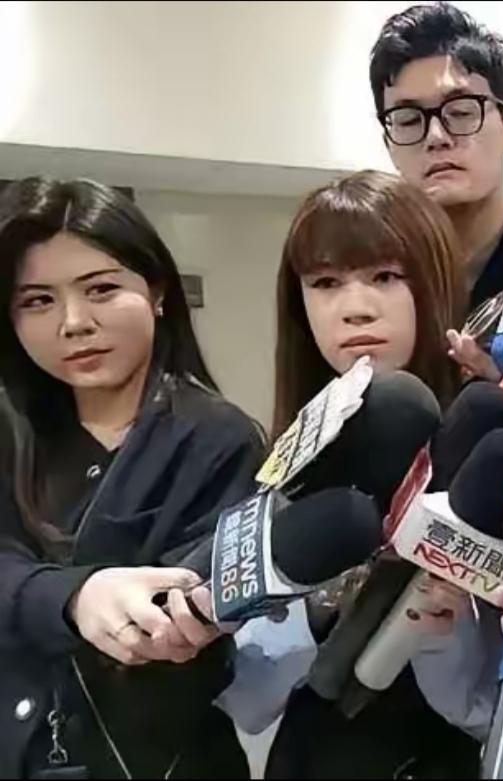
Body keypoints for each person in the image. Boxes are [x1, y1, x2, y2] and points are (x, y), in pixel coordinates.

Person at [0, 178, 265, 778]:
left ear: (158, 290)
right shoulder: (11, 428)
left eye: (101, 289)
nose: (74, 323)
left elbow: (194, 612)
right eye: (37, 300)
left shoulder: (218, 438)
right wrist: (76, 598)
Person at [262, 170, 502, 779]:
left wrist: (443, 638)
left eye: (386, 277)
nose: (356, 308)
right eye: (325, 283)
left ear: (433, 285)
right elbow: (252, 692)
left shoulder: (488, 454)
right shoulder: (287, 458)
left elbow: (501, 712)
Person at [370, 1, 503, 380]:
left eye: (461, 112)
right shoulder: (373, 289)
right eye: (409, 120)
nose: (436, 136)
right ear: (389, 145)